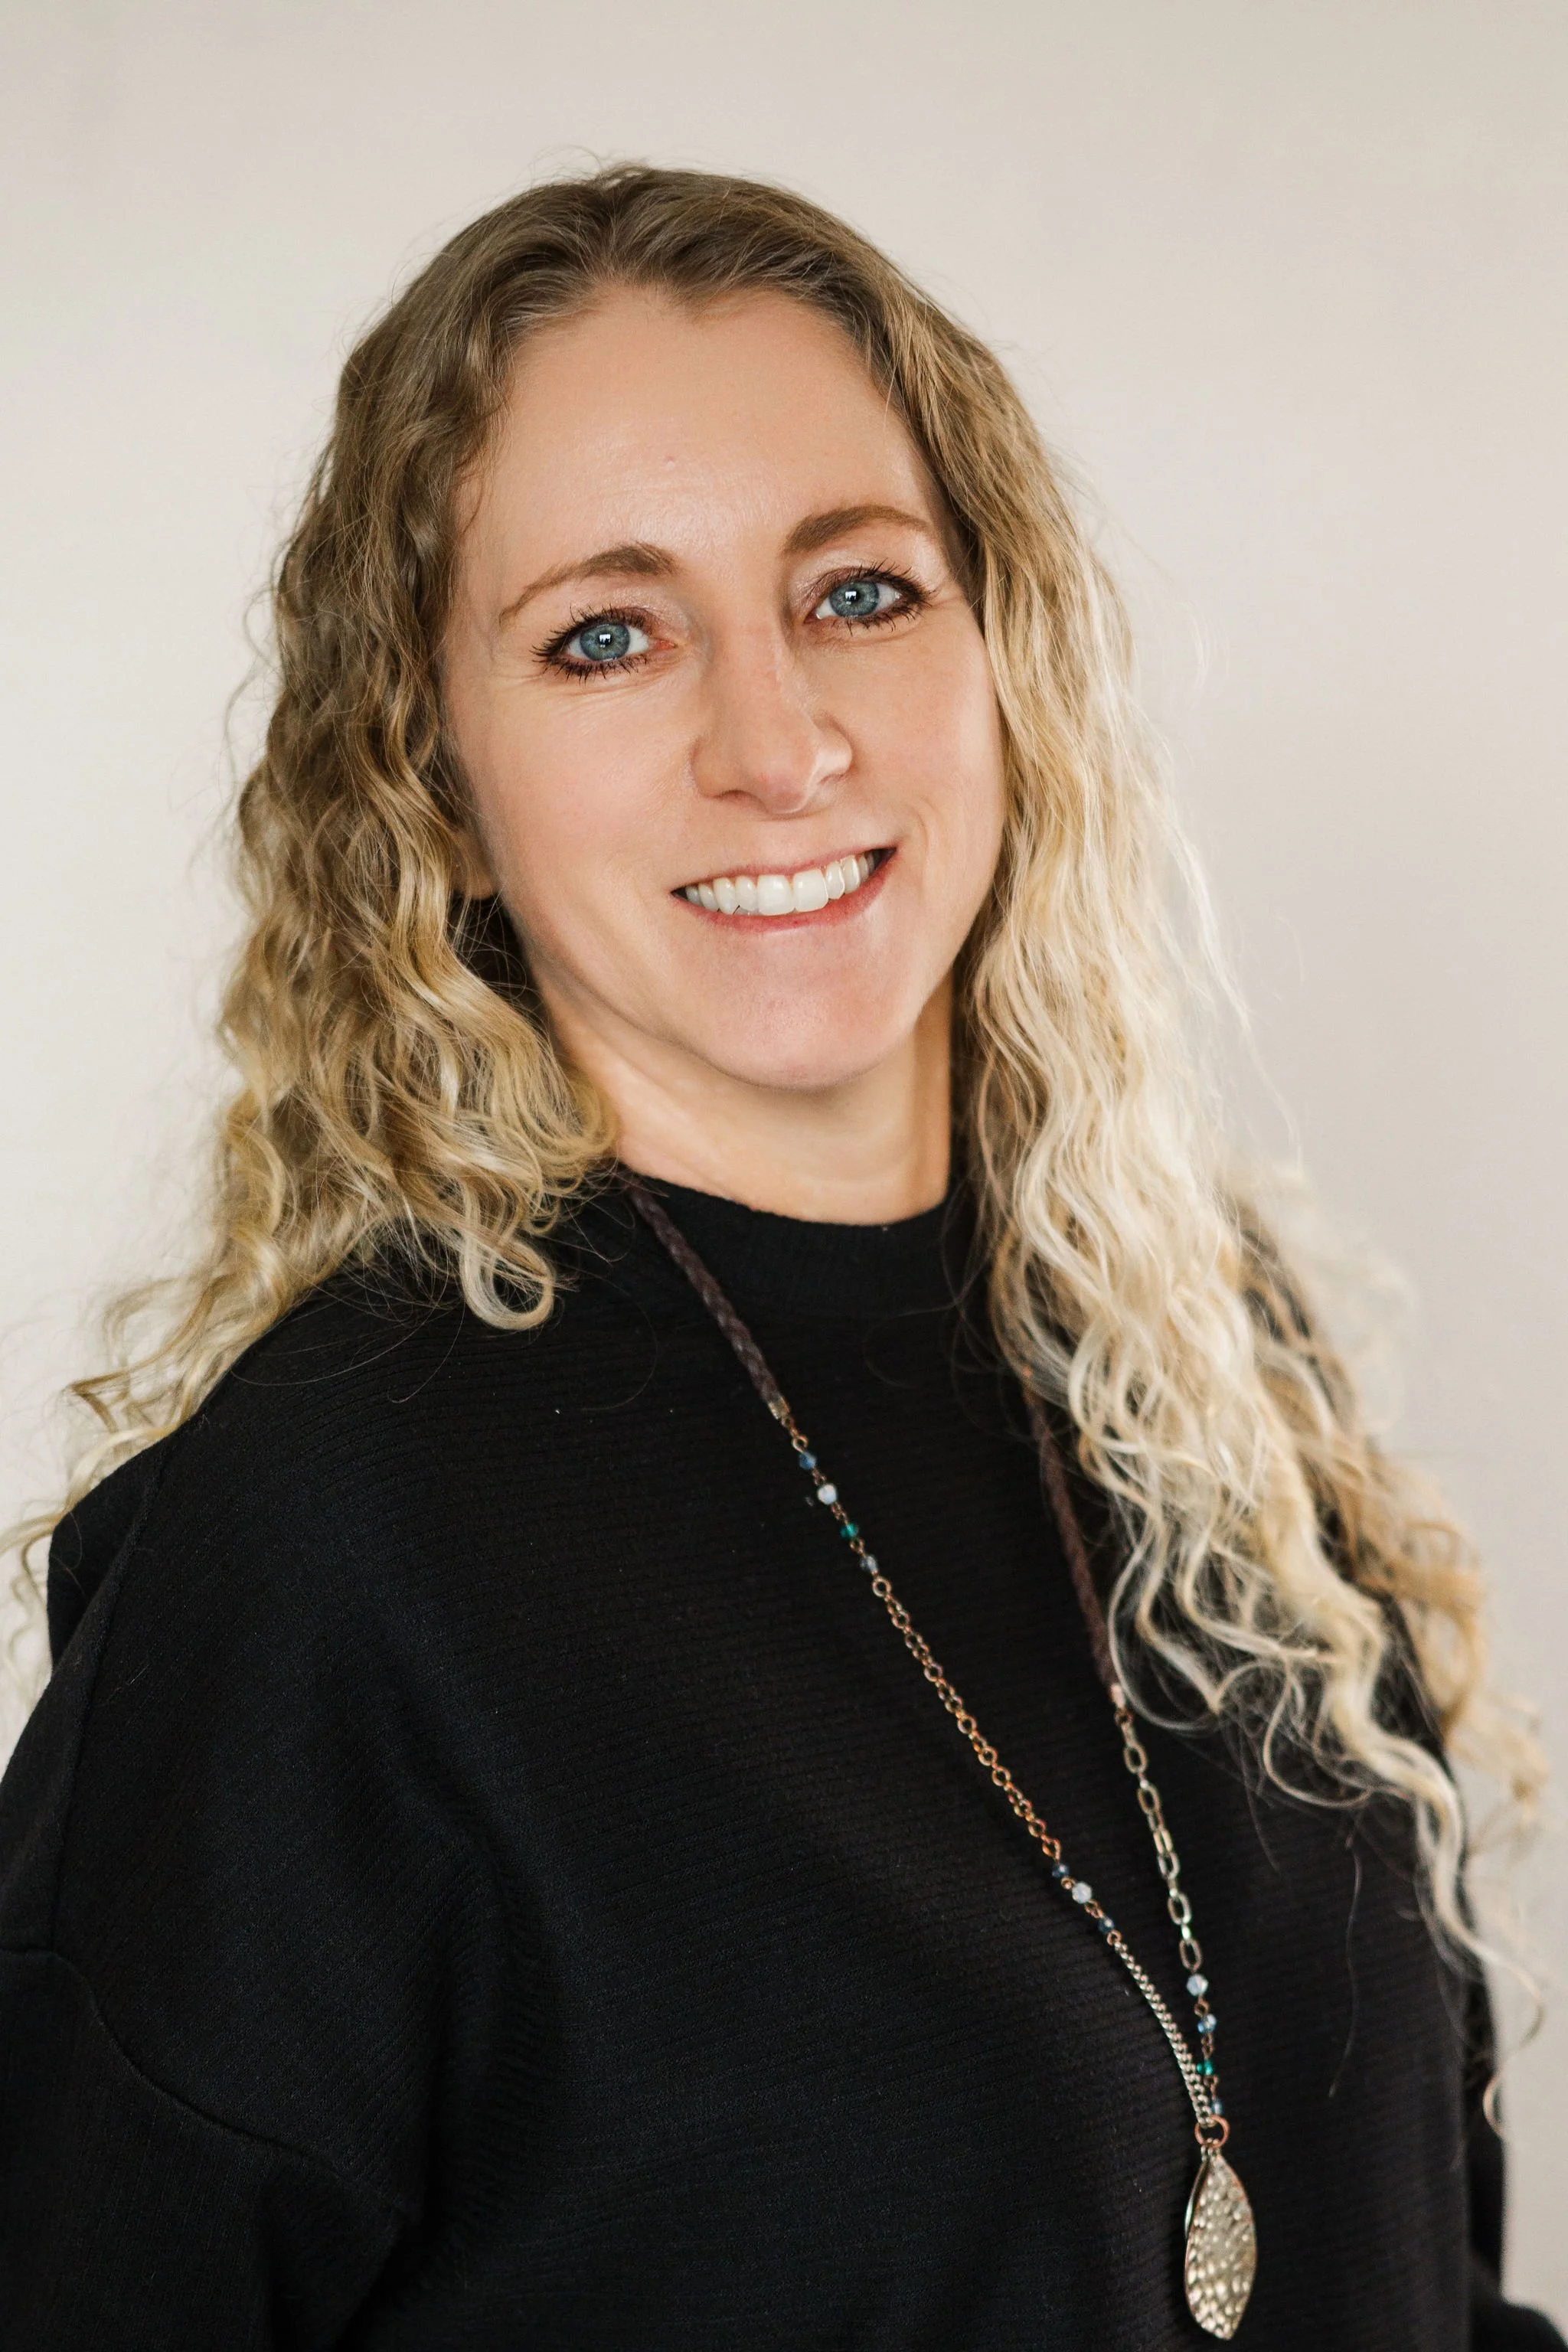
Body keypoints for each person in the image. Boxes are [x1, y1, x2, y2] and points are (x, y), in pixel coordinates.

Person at [0, 163, 1558, 2350]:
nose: (778, 743)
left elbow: (1412, 2259)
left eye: (860, 593)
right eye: (607, 636)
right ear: (432, 777)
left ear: (1003, 649)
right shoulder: (325, 1553)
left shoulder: (1207, 1373)